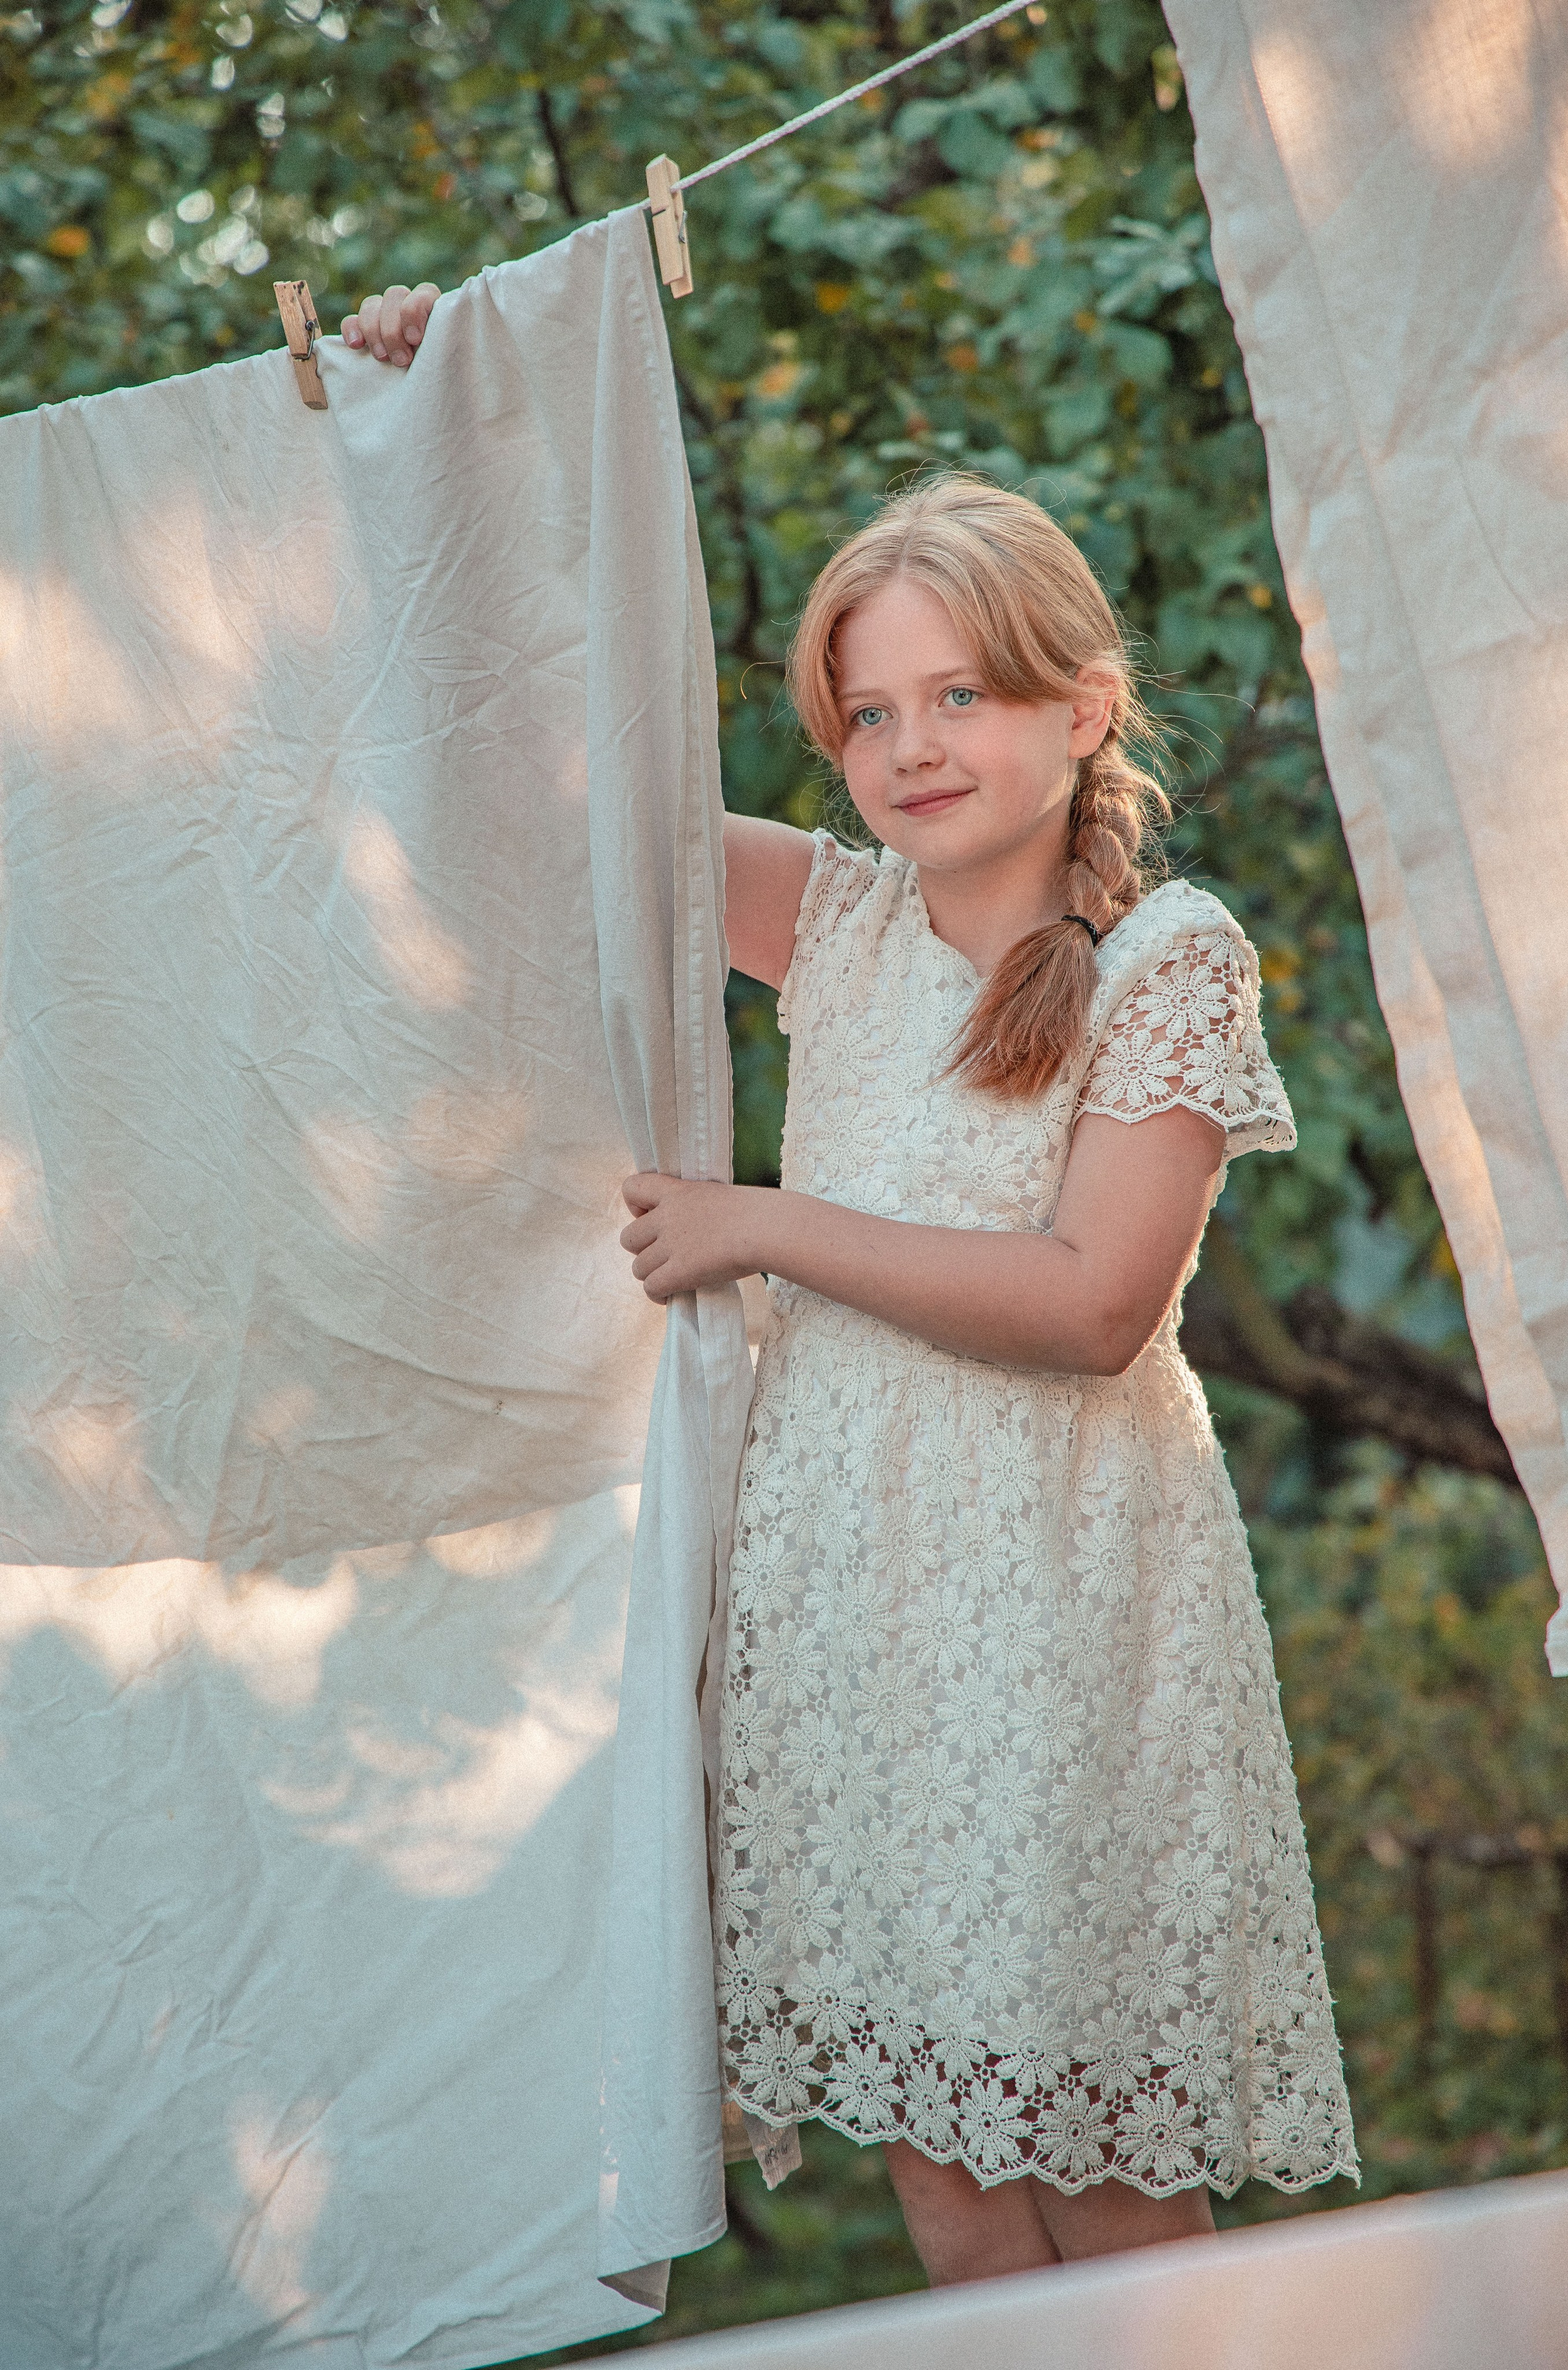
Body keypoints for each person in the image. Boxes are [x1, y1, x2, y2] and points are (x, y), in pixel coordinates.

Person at [346, 284, 1358, 2284]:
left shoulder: (1169, 953)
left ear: (1083, 708)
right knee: (945, 2176)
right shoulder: (835, 921)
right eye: (869, 714)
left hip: (1060, 1605)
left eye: (960, 696)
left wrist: (763, 1223)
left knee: (1101, 2167)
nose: (911, 749)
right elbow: (537, 782)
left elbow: (1094, 1305)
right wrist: (462, 430)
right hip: (849, 1602)